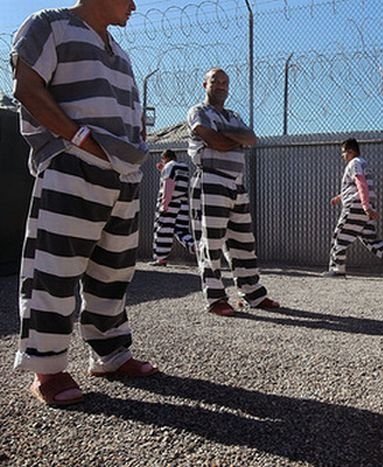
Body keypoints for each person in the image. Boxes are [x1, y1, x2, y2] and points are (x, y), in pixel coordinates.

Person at [11, 0, 158, 407]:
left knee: (114, 272)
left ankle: (110, 353)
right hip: (72, 166)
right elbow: (27, 86)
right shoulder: (48, 25)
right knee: (54, 269)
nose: (134, 5)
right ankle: (47, 369)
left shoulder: (121, 52)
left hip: (123, 175)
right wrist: (78, 140)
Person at [187, 68, 279, 316]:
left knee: (243, 242)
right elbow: (213, 140)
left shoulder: (233, 115)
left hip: (236, 183)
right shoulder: (198, 112)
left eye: (225, 82)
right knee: (211, 242)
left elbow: (251, 138)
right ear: (205, 84)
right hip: (211, 179)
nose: (221, 86)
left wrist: (225, 134)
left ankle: (253, 293)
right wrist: (232, 139)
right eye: (215, 81)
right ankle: (216, 298)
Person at [323, 138, 383, 279]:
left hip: (356, 206)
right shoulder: (363, 163)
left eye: (343, 153)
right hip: (364, 204)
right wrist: (340, 197)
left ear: (350, 152)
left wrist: (365, 206)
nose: (342, 156)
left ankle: (338, 269)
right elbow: (356, 187)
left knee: (339, 235)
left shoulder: (354, 163)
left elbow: (361, 183)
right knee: (370, 239)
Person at [151, 149, 195, 266]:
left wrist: (164, 204)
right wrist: (162, 170)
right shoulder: (184, 167)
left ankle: (161, 258)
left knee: (162, 230)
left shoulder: (169, 166)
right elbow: (179, 181)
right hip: (183, 203)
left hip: (171, 203)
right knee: (181, 229)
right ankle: (194, 246)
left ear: (165, 158)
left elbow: (168, 184)